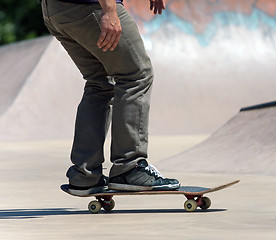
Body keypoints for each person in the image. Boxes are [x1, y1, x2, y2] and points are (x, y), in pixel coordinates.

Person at [41, 0, 180, 195]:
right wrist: (109, 10)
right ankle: (129, 167)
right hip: (90, 7)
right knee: (136, 75)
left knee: (100, 82)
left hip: (55, 11)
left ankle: (85, 174)